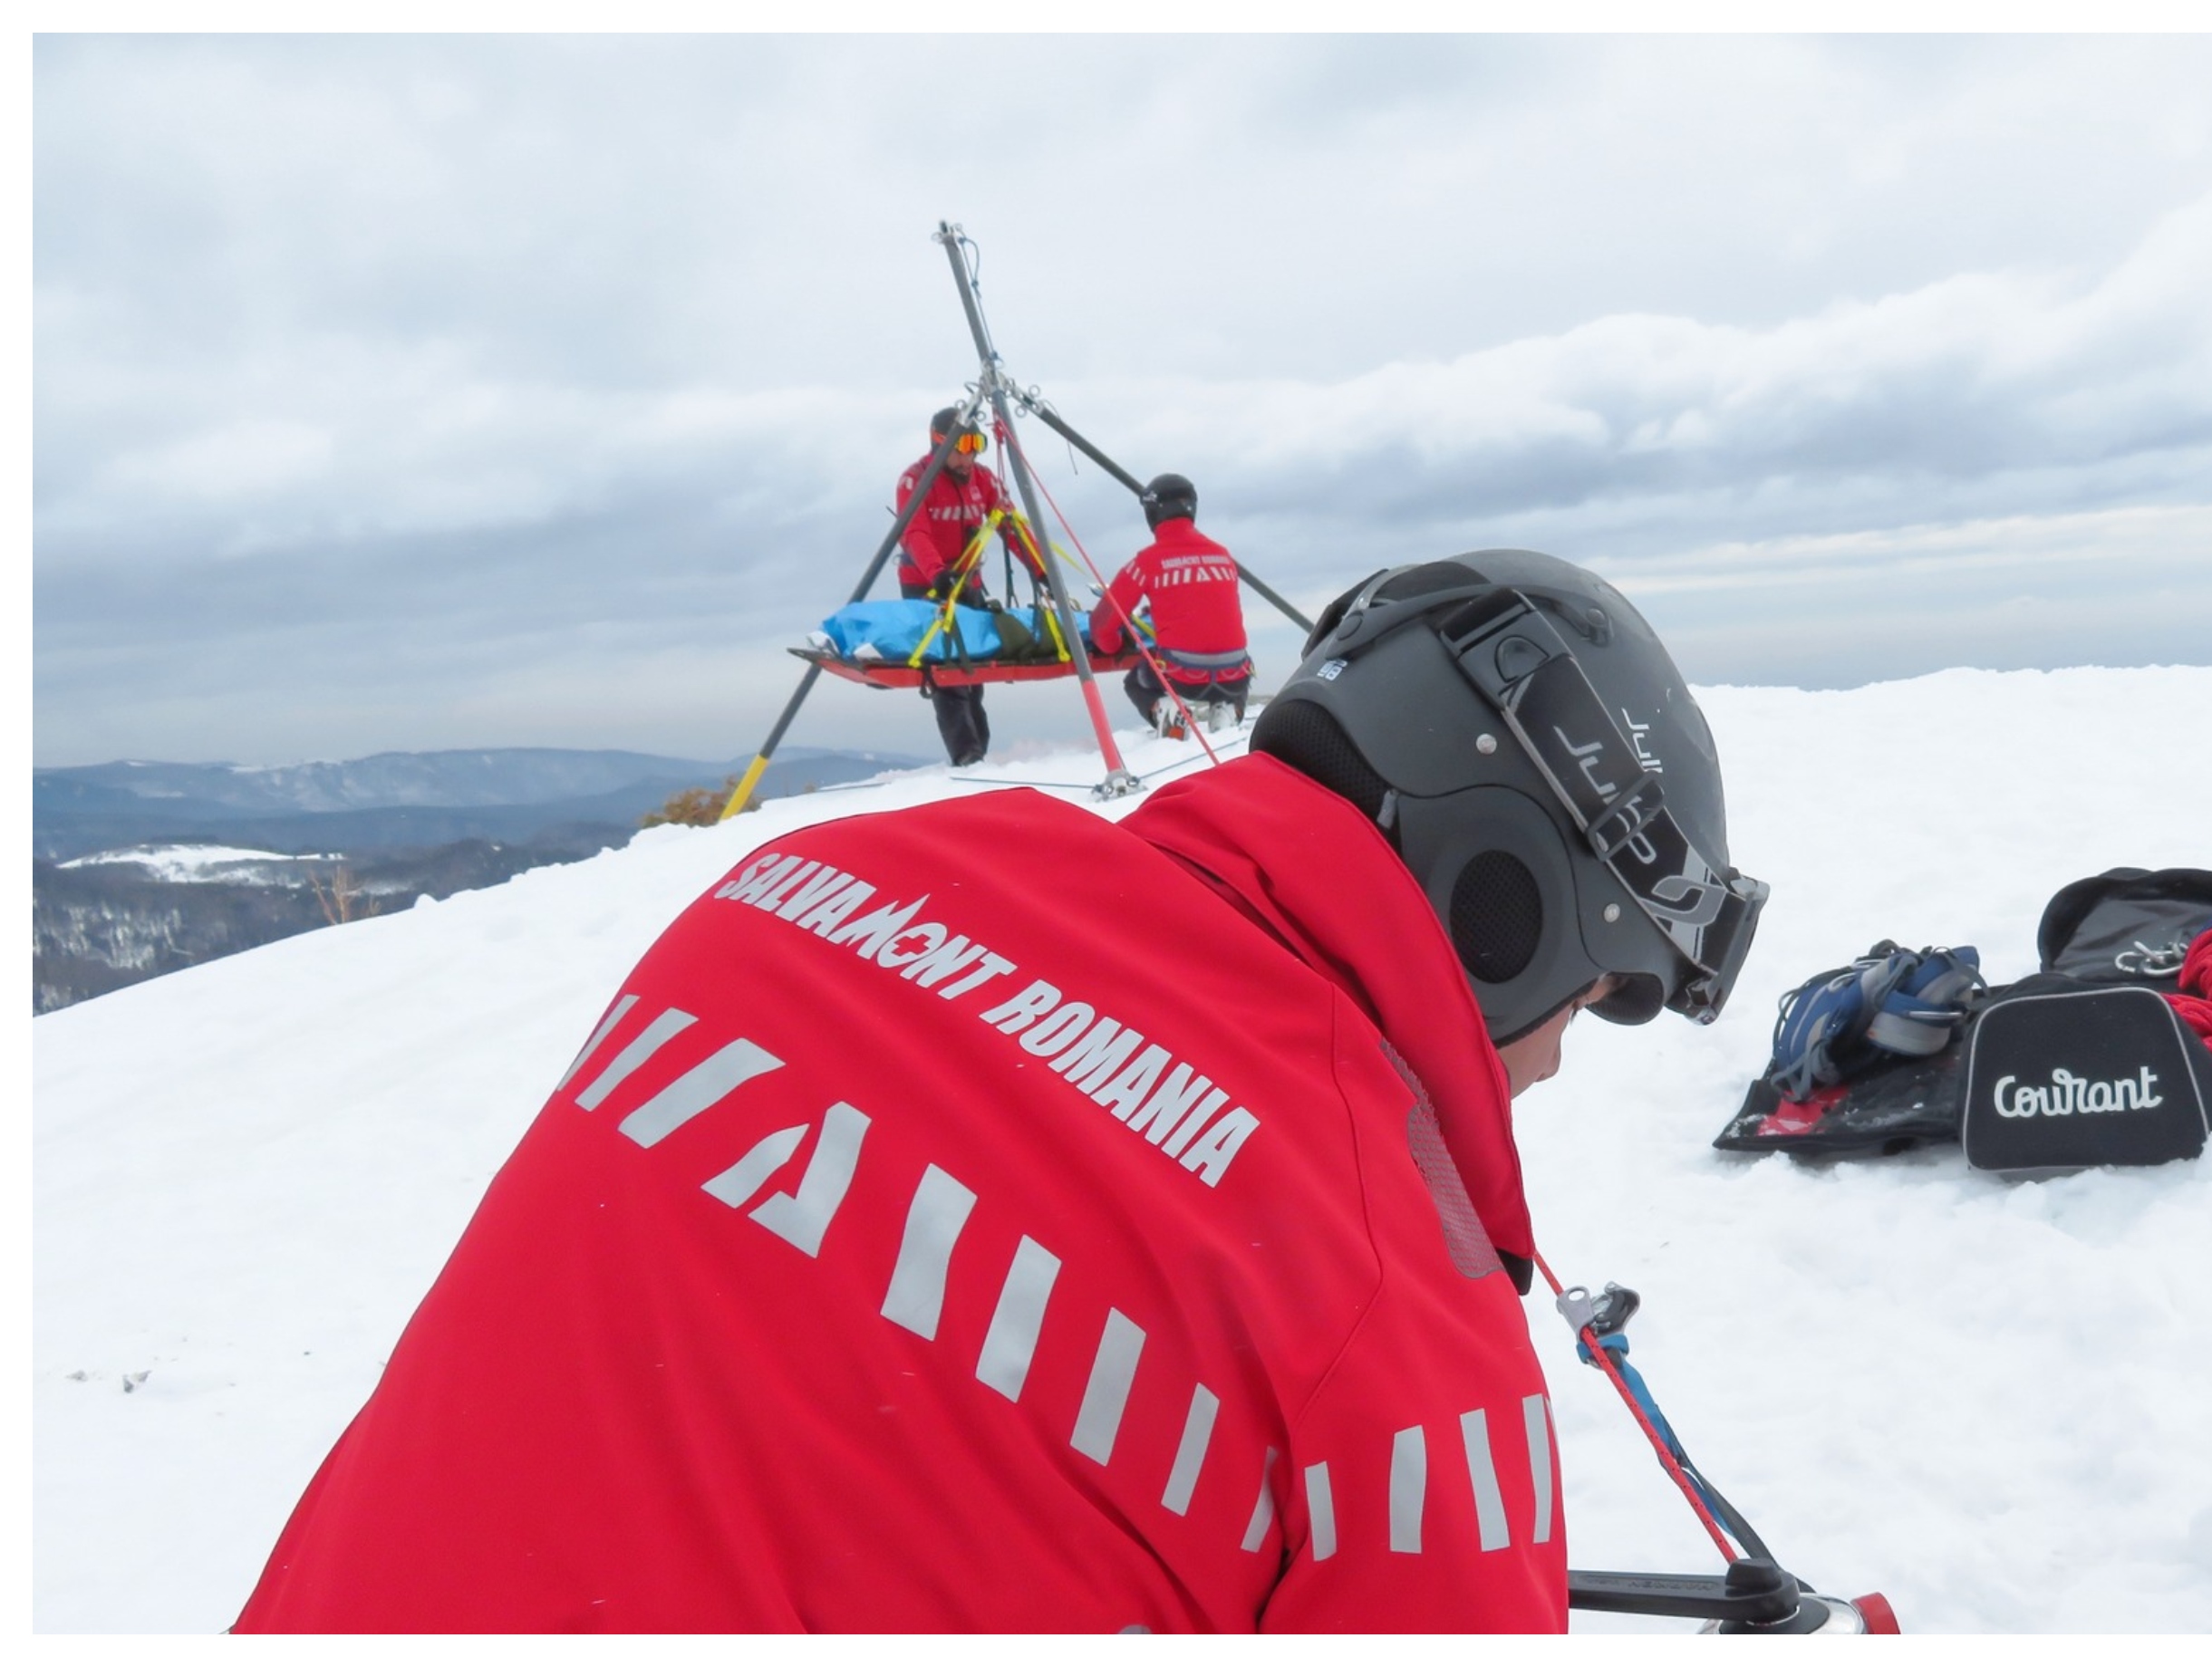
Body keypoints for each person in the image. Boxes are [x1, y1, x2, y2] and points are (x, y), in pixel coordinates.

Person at [230, 549, 1768, 1633]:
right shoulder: (1399, 1351)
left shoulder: (801, 889)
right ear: (1504, 911)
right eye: (1589, 997)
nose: (1551, 1058)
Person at [896, 408, 1036, 768]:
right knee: (948, 674)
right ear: (940, 445)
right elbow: (915, 533)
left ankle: (979, 749)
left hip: (968, 585)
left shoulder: (982, 479)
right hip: (927, 588)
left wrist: (1040, 569)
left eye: (977, 446)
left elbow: (1011, 526)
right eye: (961, 448)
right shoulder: (916, 481)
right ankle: (967, 755)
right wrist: (937, 574)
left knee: (973, 669)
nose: (968, 458)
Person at [1091, 473, 1251, 736]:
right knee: (1236, 665)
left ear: (1152, 512)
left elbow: (1101, 628)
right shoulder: (1222, 556)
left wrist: (1116, 646)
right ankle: (1228, 710)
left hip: (1182, 677)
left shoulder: (1146, 562)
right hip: (1235, 675)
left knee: (1136, 682)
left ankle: (1166, 713)